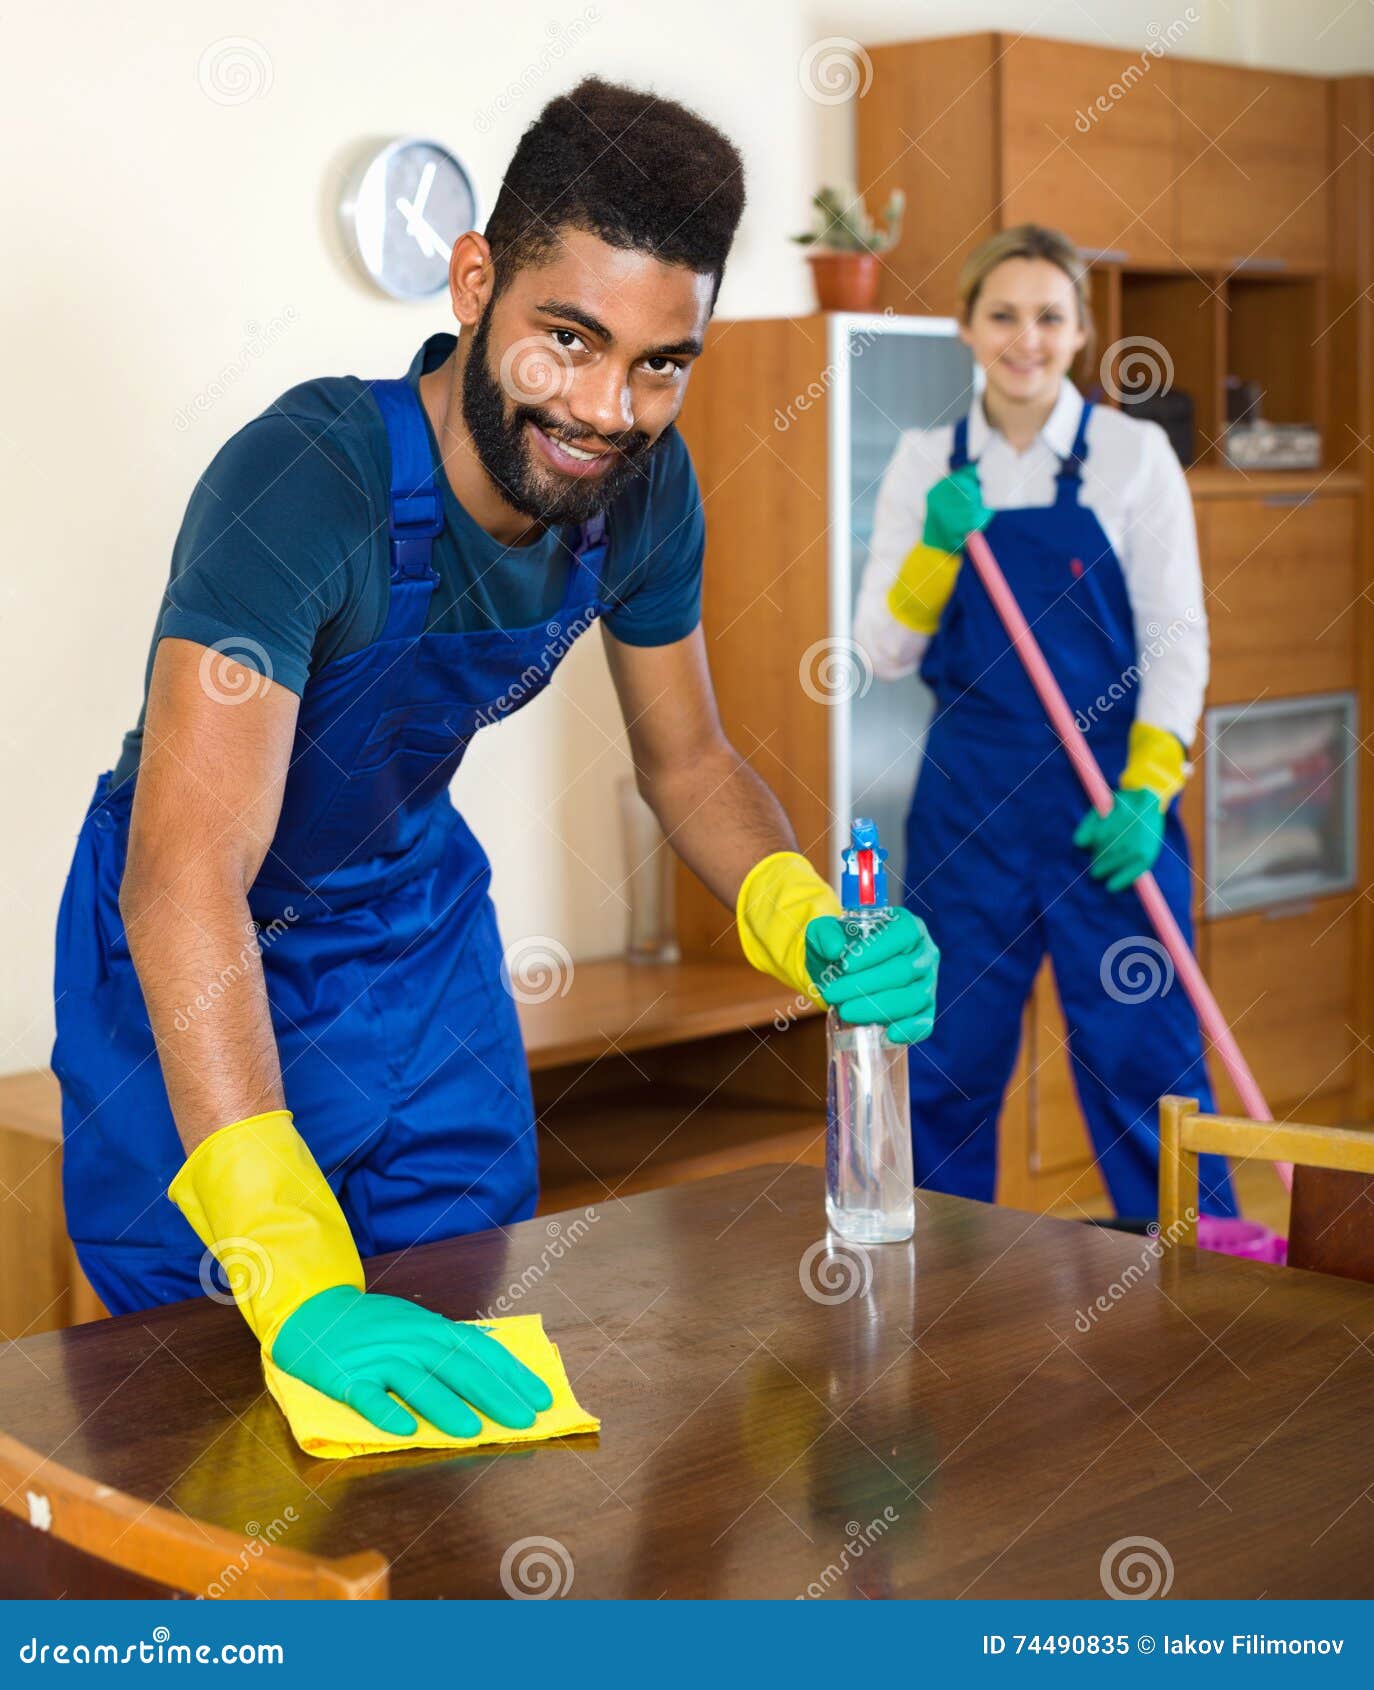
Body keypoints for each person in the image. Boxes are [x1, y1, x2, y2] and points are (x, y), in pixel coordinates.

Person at [52, 79, 939, 1439]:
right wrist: (288, 1260)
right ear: (475, 283)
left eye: (661, 363)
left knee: (465, 1376)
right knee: (212, 1401)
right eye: (567, 340)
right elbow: (186, 872)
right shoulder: (304, 484)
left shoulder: (643, 494)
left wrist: (803, 917)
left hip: (418, 953)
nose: (606, 408)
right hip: (199, 958)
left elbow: (690, 761)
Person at [853, 223, 1235, 1220]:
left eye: (1049, 317)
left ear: (1080, 331)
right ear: (967, 327)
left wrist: (1149, 788)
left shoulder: (1133, 456)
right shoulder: (927, 463)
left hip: (1103, 803)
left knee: (1147, 1056)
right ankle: (936, 1278)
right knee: (946, 1056)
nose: (1027, 338)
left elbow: (1177, 640)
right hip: (969, 805)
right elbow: (882, 649)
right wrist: (936, 549)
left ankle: (1208, 1271)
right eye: (1004, 315)